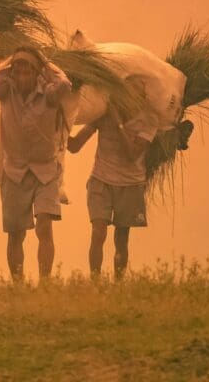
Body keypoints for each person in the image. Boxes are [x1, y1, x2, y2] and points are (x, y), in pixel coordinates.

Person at [0, 47, 71, 281]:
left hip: (45, 171)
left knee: (44, 226)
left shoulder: (49, 94)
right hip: (14, 171)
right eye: (19, 72)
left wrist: (43, 62)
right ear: (13, 73)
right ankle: (18, 283)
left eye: (28, 72)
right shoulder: (6, 92)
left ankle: (45, 282)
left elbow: (65, 84)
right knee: (15, 234)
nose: (23, 77)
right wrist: (13, 58)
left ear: (37, 73)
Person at [66, 78, 158, 279]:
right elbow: (74, 146)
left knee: (121, 237)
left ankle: (117, 284)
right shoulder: (102, 113)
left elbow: (132, 153)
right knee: (98, 232)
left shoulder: (149, 120)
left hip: (131, 184)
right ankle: (96, 282)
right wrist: (59, 120)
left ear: (142, 99)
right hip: (101, 179)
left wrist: (118, 123)